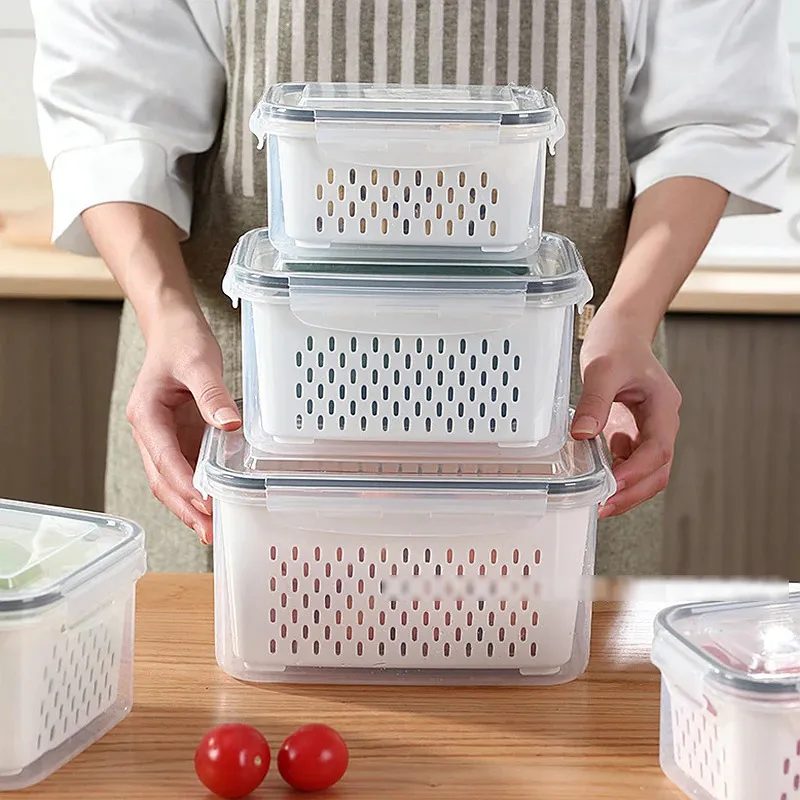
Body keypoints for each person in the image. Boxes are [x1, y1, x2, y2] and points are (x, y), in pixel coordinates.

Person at [29, 1, 796, 574]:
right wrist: (165, 316)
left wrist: (628, 316)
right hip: (231, 395)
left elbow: (709, 118)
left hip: (561, 408)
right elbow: (110, 112)